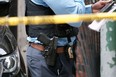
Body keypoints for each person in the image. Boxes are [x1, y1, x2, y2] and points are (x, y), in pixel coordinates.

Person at [25, 0, 111, 77]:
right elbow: (75, 17)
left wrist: (90, 9)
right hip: (46, 58)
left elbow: (64, 9)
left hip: (60, 56)